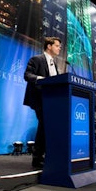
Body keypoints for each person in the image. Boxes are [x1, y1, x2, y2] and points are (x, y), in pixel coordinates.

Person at [23, 36, 62, 168]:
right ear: (49, 46)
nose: (59, 48)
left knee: (47, 126)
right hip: (39, 98)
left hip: (52, 100)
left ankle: (45, 155)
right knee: (44, 125)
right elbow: (27, 75)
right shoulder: (36, 59)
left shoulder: (54, 63)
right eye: (57, 46)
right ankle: (37, 158)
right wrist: (41, 79)